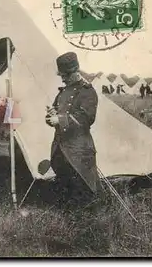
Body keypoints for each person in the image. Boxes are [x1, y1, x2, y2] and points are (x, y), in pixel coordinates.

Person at [45, 52, 99, 208]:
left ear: (76, 72)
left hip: (78, 150)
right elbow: (54, 115)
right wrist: (51, 116)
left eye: (66, 75)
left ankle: (84, 222)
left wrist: (60, 119)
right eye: (61, 75)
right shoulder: (62, 93)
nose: (62, 78)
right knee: (64, 187)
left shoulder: (87, 91)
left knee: (82, 190)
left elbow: (86, 118)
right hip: (60, 148)